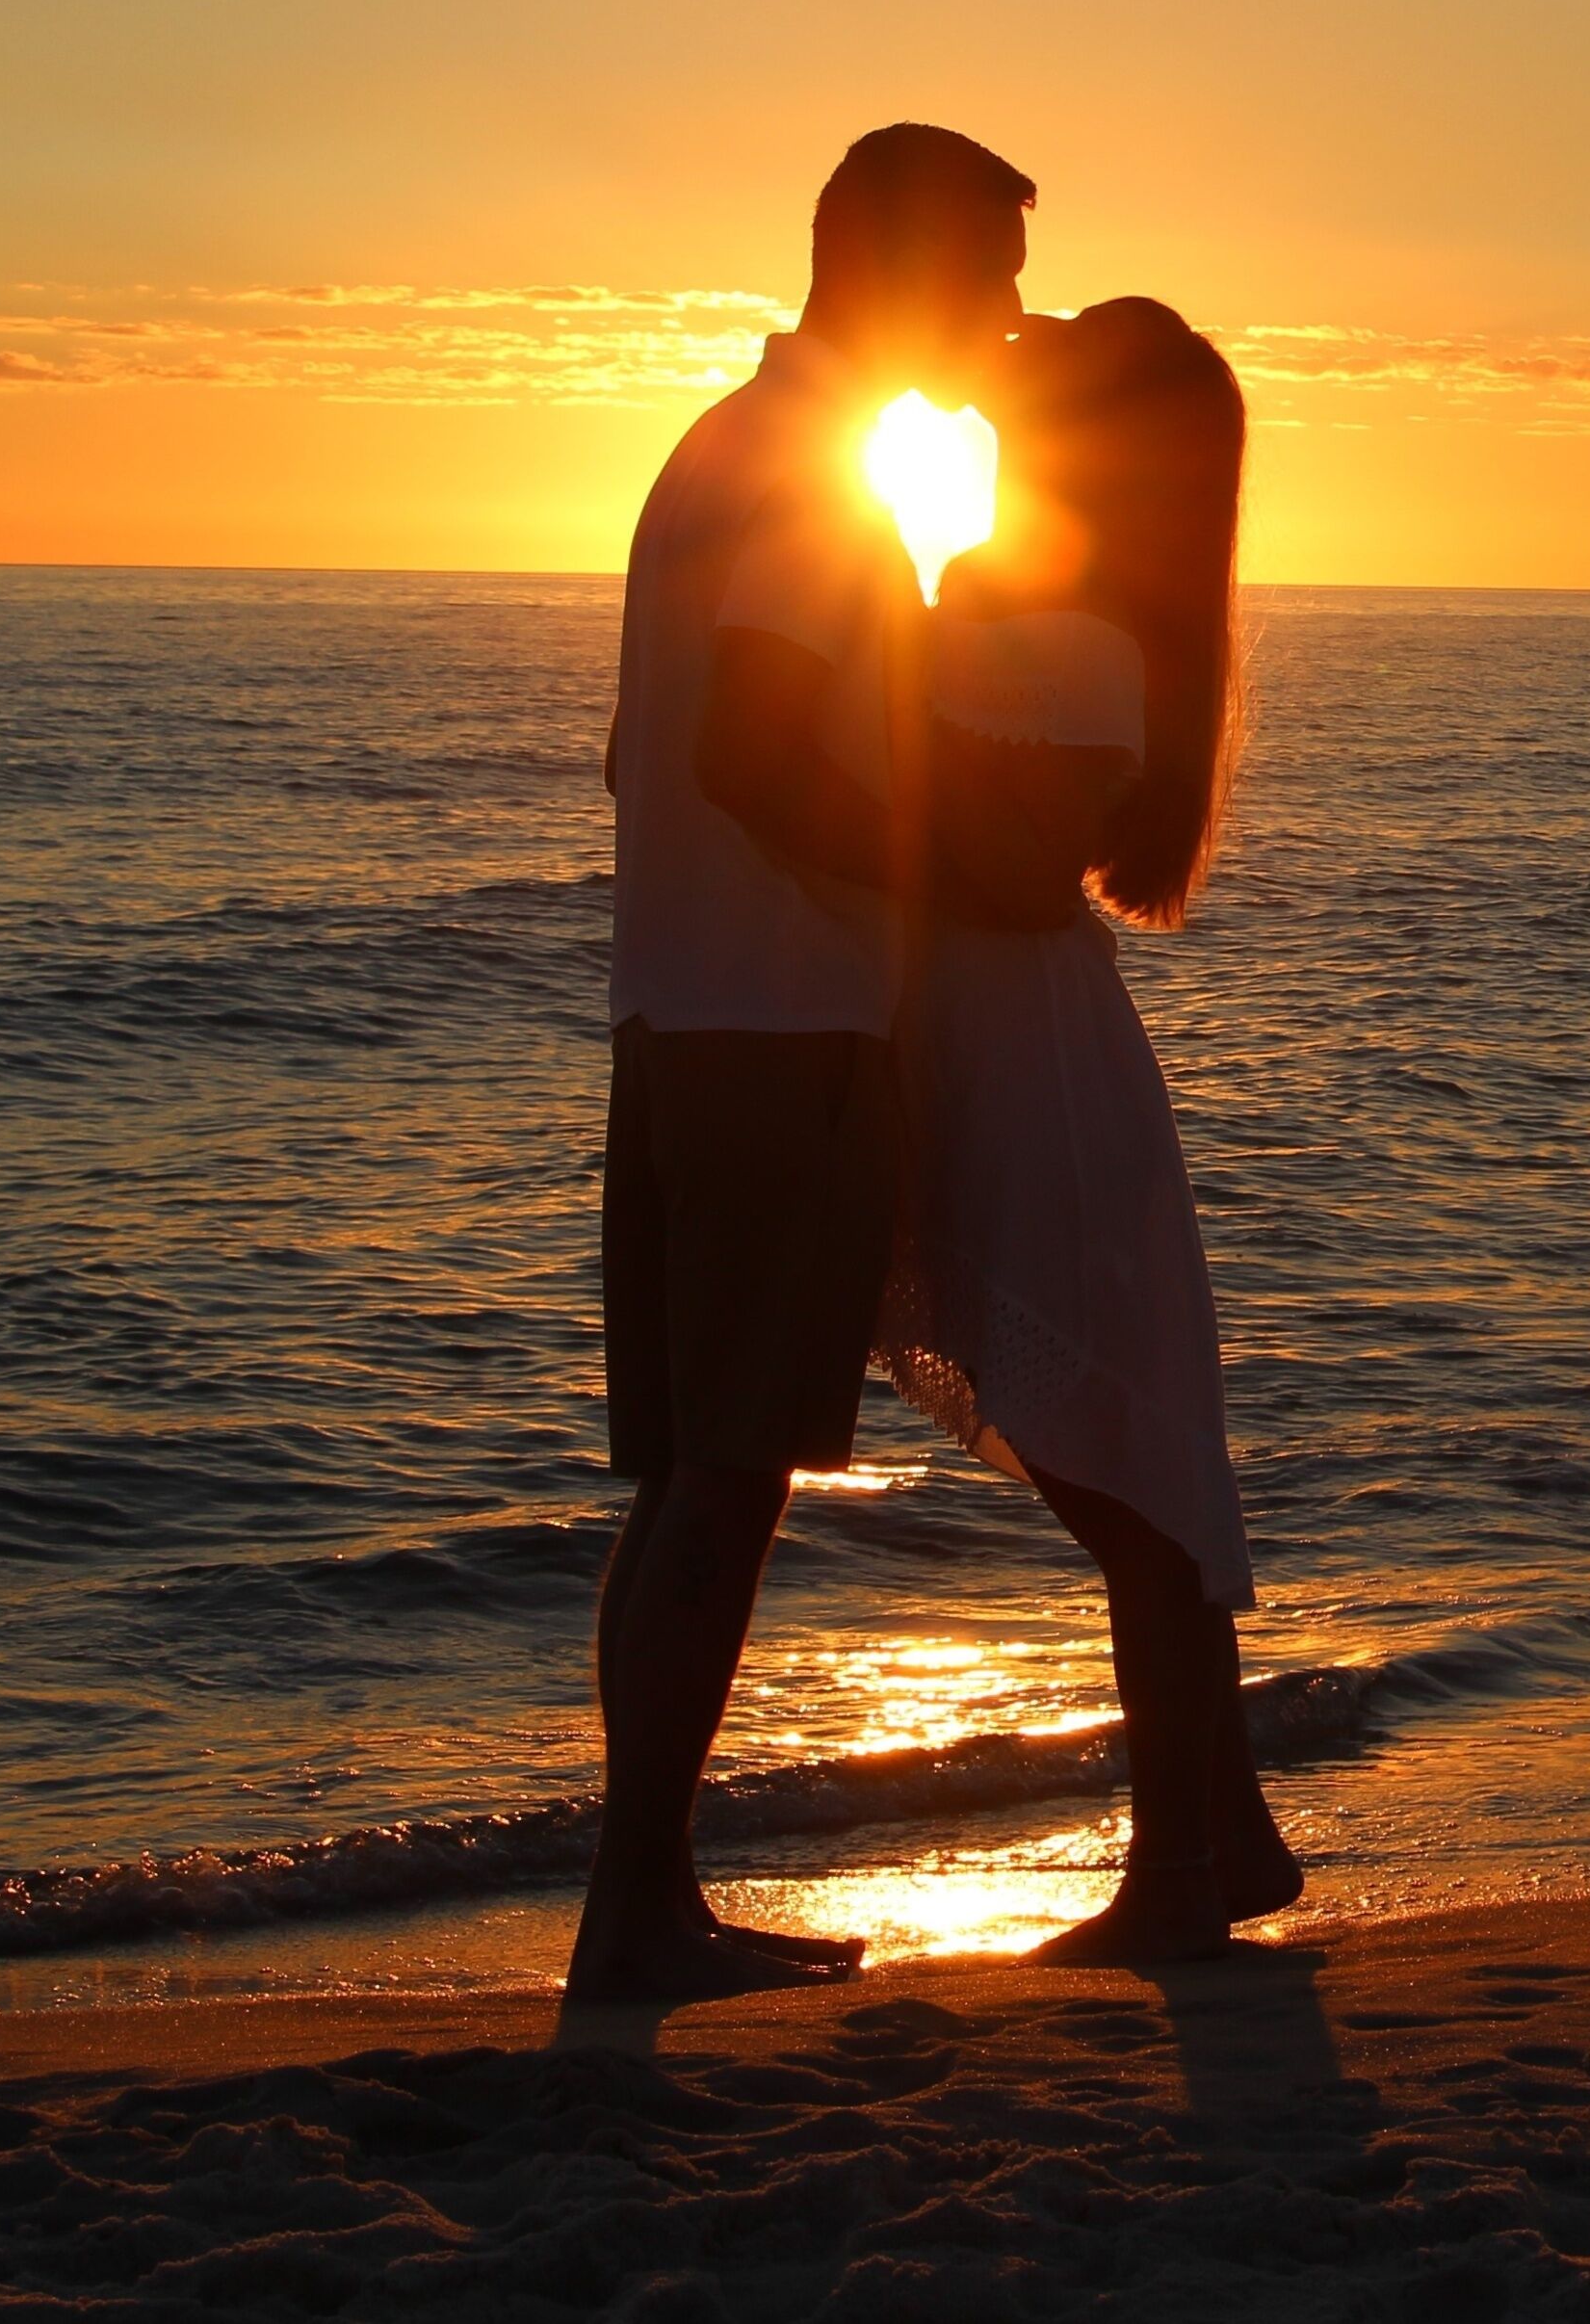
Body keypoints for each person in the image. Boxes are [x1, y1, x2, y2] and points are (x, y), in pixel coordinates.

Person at [576, 123, 1038, 2005]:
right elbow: (750, 754)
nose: (1008, 320)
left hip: (678, 1017)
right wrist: (939, 871)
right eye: (992, 278)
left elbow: (635, 757)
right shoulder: (814, 483)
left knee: (687, 1474)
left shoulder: (711, 456)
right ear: (906, 265)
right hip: (775, 1030)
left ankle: (641, 1890)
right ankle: (637, 1904)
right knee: (725, 1482)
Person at [877, 295, 1297, 1966]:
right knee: (1126, 1460)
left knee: (1121, 1470)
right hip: (1004, 1045)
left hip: (1026, 1058)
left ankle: (1183, 1863)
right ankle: (1226, 1832)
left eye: (1060, 340)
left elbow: (990, 862)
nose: (1021, 334)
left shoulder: (1069, 622)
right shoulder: (1035, 592)